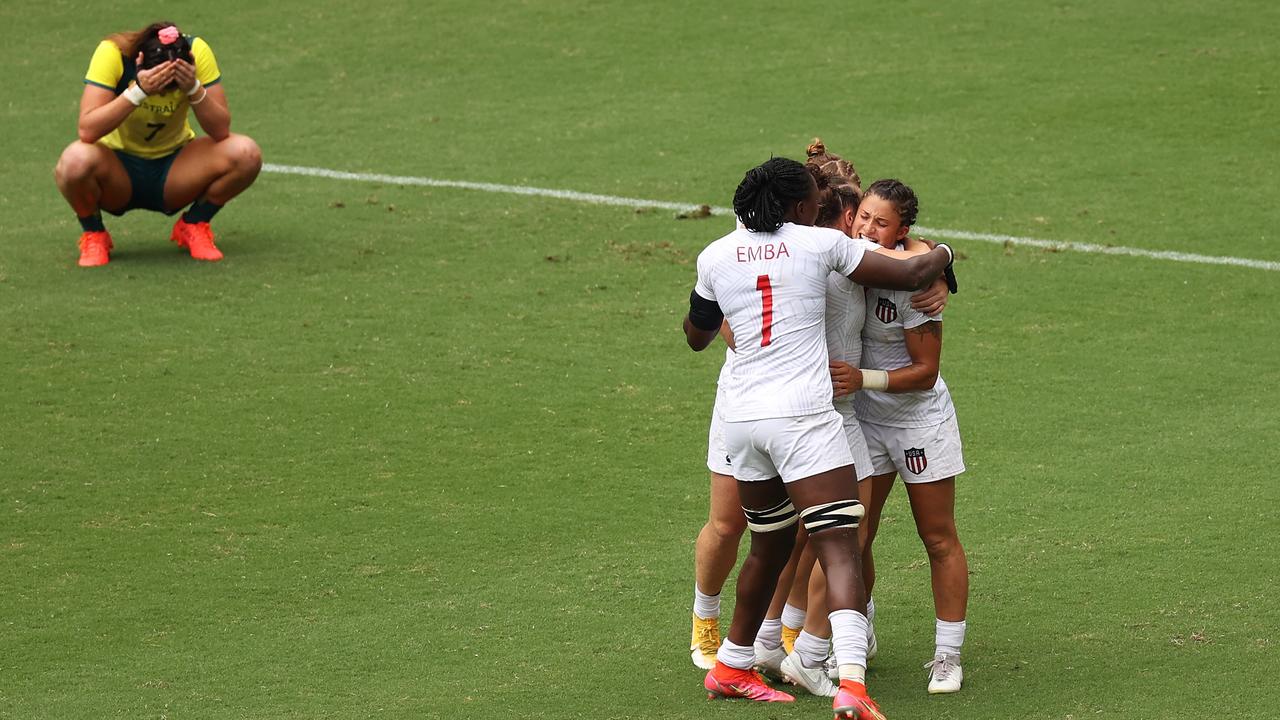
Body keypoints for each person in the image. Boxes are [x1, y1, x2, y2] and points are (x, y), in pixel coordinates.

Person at [682, 156, 954, 719]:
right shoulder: (817, 246)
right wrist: (945, 259)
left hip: (742, 418)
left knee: (771, 542)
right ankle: (850, 682)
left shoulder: (713, 255)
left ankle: (734, 663)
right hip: (803, 419)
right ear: (802, 209)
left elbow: (696, 334)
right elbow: (909, 273)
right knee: (839, 542)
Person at [849, 179, 970, 695]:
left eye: (881, 222)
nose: (868, 228)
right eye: (864, 217)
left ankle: (948, 655)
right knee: (854, 536)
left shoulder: (916, 283)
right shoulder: (849, 255)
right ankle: (860, 631)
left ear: (902, 232)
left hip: (919, 421)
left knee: (937, 536)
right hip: (863, 421)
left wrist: (864, 379)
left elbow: (924, 371)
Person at [54, 21, 262, 267]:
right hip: (116, 172)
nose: (164, 94)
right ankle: (94, 234)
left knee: (246, 153)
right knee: (74, 160)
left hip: (175, 171)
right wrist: (138, 91)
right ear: (140, 61)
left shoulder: (197, 51)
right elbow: (87, 130)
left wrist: (193, 88)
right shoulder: (112, 53)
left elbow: (220, 130)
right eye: (161, 87)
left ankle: (194, 224)